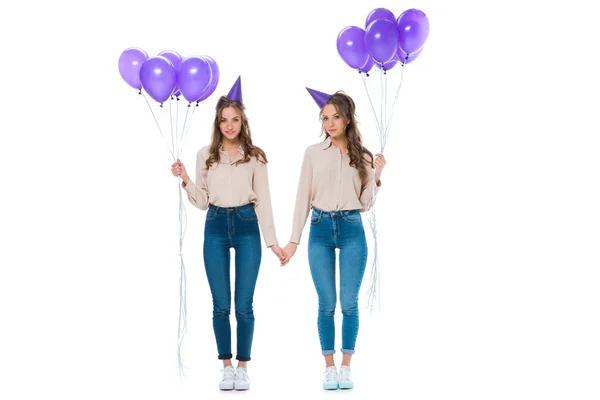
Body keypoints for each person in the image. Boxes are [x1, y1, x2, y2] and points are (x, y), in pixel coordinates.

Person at [171, 76, 288, 391]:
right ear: (217, 122)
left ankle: (243, 366)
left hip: (248, 224)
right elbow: (201, 201)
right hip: (216, 225)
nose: (229, 125)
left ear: (243, 121)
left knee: (244, 304)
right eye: (224, 120)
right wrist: (185, 180)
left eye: (235, 119)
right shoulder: (205, 155)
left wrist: (274, 243)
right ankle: (226, 365)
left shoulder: (256, 157)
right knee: (220, 303)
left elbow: (263, 201)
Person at [283, 88, 387, 390]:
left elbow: (366, 202)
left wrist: (377, 176)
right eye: (325, 118)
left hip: (353, 226)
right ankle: (328, 367)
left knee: (349, 303)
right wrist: (293, 240)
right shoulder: (313, 153)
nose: (330, 123)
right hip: (320, 226)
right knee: (327, 302)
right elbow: (302, 196)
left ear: (347, 119)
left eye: (335, 117)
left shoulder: (363, 156)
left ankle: (346, 366)